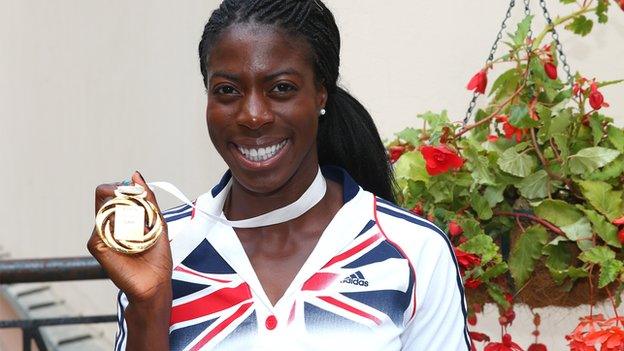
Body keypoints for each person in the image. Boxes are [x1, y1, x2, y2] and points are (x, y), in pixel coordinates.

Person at [88, 0, 470, 350]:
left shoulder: (412, 250)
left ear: (321, 93)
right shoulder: (165, 250)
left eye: (281, 88)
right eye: (227, 90)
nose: (253, 115)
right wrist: (149, 306)